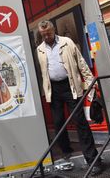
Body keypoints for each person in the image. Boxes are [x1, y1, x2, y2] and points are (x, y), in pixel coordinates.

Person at [36, 20, 103, 176]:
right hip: (54, 90)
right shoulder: (39, 49)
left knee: (80, 122)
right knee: (58, 122)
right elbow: (43, 72)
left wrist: (90, 81)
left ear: (54, 30)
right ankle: (66, 151)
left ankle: (93, 160)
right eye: (43, 34)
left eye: (49, 33)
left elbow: (81, 62)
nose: (46, 36)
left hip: (71, 86)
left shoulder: (67, 42)